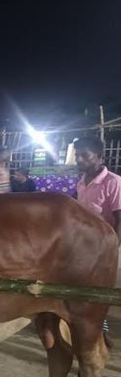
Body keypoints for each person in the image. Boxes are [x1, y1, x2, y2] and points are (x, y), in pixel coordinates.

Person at [74, 136, 120, 343]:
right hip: (83, 244)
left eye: (85, 155)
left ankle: (101, 330)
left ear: (99, 157)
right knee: (81, 287)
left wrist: (114, 247)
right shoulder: (81, 182)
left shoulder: (114, 182)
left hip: (104, 246)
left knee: (98, 291)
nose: (79, 160)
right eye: (77, 155)